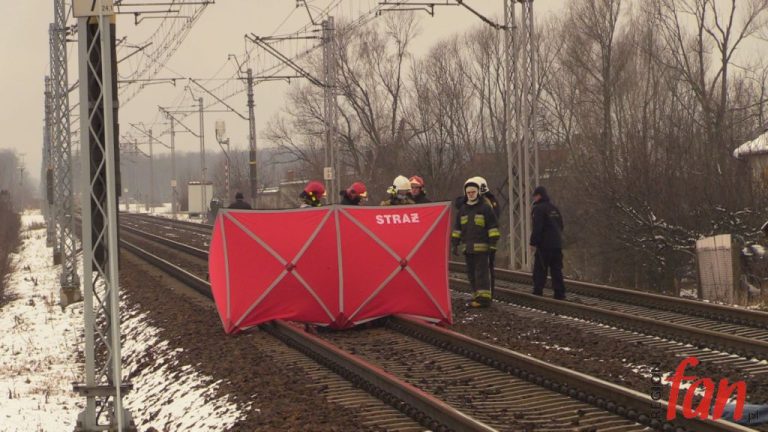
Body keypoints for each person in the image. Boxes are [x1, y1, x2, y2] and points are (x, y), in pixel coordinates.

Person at [451, 178, 501, 308]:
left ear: (478, 192)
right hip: (468, 249)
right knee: (471, 273)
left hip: (482, 249)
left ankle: (484, 299)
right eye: (469, 193)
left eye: (473, 192)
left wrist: (492, 244)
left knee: (482, 273)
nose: (471, 194)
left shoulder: (485, 208)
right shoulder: (463, 210)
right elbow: (457, 229)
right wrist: (455, 243)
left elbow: (493, 227)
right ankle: (476, 296)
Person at [530, 186, 565, 300]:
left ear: (539, 195)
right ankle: (559, 294)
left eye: (534, 196)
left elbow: (537, 227)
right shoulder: (554, 208)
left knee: (540, 269)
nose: (533, 198)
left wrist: (533, 242)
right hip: (557, 244)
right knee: (556, 269)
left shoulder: (538, 209)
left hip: (544, 245)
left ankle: (537, 292)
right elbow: (561, 226)